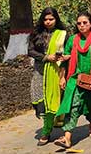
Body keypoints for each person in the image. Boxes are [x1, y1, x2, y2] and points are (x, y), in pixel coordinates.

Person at [54, 12, 91, 149]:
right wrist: (62, 77)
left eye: (85, 23)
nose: (82, 26)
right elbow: (65, 60)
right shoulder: (73, 40)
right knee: (73, 106)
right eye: (79, 23)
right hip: (75, 79)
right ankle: (67, 137)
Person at [28, 8, 68, 146]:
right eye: (45, 19)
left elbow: (66, 54)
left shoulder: (63, 34)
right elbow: (30, 51)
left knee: (52, 101)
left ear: (56, 19)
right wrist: (46, 57)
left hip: (56, 71)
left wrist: (63, 73)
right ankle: (49, 124)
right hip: (39, 71)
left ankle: (46, 131)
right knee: (38, 101)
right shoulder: (36, 33)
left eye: (51, 19)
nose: (48, 22)